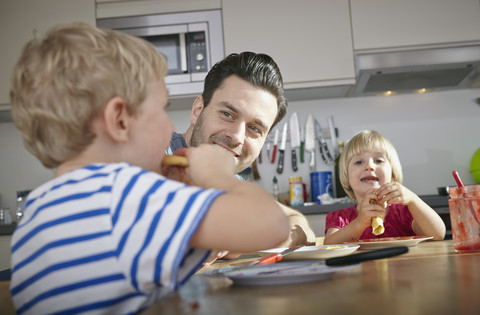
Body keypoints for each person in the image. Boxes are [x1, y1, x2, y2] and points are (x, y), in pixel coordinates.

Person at [8, 23, 289, 314]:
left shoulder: (39, 207)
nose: (170, 126)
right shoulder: (128, 193)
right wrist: (215, 174)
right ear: (119, 120)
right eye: (161, 109)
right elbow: (271, 226)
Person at [167, 52, 316, 249]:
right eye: (227, 114)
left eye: (254, 129)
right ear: (198, 109)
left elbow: (297, 221)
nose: (237, 137)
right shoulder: (152, 155)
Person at [324, 130, 445, 245]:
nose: (369, 166)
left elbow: (438, 234)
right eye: (359, 162)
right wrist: (359, 223)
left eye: (378, 160)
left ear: (392, 175)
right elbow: (329, 246)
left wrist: (413, 200)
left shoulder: (403, 212)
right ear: (347, 176)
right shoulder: (340, 218)